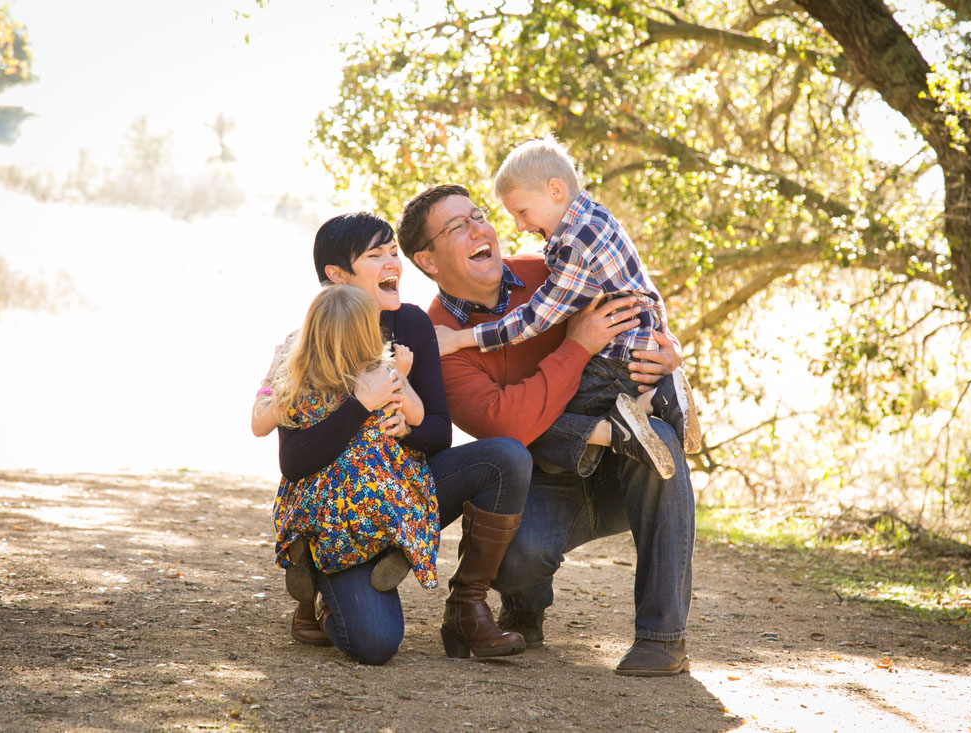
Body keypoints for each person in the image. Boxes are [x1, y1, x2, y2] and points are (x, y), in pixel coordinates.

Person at [398, 184, 698, 676]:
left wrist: (669, 352)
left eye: (478, 215)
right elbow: (506, 424)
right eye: (457, 227)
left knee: (660, 442)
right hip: (543, 481)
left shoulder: (552, 274)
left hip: (622, 471)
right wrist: (577, 346)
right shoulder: (440, 341)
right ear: (428, 261)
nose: (480, 228)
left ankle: (663, 639)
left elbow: (633, 309)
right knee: (513, 535)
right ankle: (524, 607)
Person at [253, 212, 532, 665]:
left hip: (401, 486)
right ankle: (321, 582)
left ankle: (466, 607)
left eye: (393, 253)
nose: (392, 265)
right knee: (374, 644)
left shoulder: (412, 326)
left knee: (506, 458)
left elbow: (439, 430)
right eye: (374, 255)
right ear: (337, 275)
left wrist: (410, 428)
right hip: (337, 509)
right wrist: (360, 405)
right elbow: (296, 462)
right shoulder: (309, 344)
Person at [434, 134, 701, 484]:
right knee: (542, 414)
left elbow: (531, 321)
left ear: (555, 190)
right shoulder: (596, 219)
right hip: (635, 350)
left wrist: (458, 340)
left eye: (522, 212)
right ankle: (653, 399)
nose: (520, 225)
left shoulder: (576, 244)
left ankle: (619, 427)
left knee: (540, 419)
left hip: (615, 360)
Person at [263, 284, 440, 602]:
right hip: (370, 491)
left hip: (315, 500)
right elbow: (417, 414)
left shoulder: (299, 381)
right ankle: (399, 546)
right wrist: (401, 377)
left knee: (325, 505)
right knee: (407, 499)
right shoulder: (378, 376)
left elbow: (275, 428)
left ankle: (300, 546)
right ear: (368, 335)